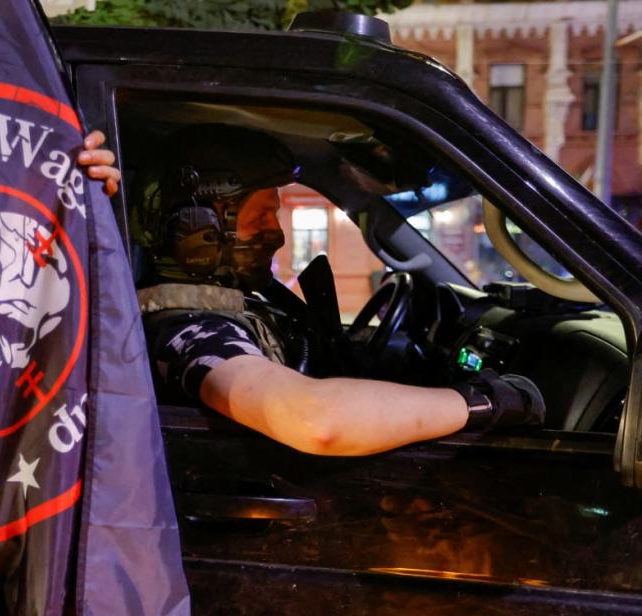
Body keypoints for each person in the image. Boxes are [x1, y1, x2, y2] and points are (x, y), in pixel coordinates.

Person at [129, 124, 544, 456]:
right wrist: (482, 401)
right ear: (198, 230)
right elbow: (317, 422)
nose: (276, 236)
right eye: (260, 220)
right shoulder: (188, 334)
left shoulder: (239, 306)